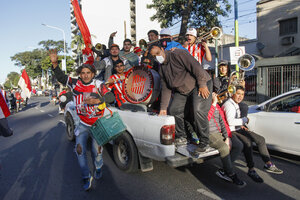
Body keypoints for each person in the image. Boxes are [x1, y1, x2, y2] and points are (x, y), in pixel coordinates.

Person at [49, 49, 115, 191]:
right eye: (83, 73)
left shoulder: (99, 84)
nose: (85, 75)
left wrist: (98, 99)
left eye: (88, 73)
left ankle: (98, 168)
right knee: (79, 151)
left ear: (93, 74)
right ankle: (86, 176)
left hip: (97, 124)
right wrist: (55, 64)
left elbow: (111, 97)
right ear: (80, 74)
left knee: (97, 153)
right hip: (81, 124)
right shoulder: (75, 84)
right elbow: (61, 77)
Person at [149, 44, 212, 153]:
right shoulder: (161, 69)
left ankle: (204, 141)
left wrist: (202, 84)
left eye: (158, 53)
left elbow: (196, 67)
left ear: (163, 49)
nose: (157, 57)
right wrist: (163, 108)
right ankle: (182, 137)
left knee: (198, 110)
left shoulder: (178, 54)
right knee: (173, 109)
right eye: (154, 56)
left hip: (199, 84)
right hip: (182, 91)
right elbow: (166, 88)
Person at [222, 86, 283, 183]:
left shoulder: (235, 104)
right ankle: (251, 169)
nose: (240, 96)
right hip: (232, 130)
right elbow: (230, 122)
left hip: (238, 128)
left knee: (260, 139)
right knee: (248, 143)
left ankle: (268, 164)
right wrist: (244, 120)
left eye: (242, 94)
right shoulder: (229, 105)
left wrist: (242, 123)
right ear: (233, 93)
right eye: (238, 94)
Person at [208, 92, 245, 187]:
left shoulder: (217, 107)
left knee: (239, 145)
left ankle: (224, 169)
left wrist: (227, 137)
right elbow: (205, 120)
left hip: (220, 132)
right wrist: (213, 104)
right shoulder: (202, 105)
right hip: (210, 134)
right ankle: (230, 173)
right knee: (224, 148)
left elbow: (223, 122)